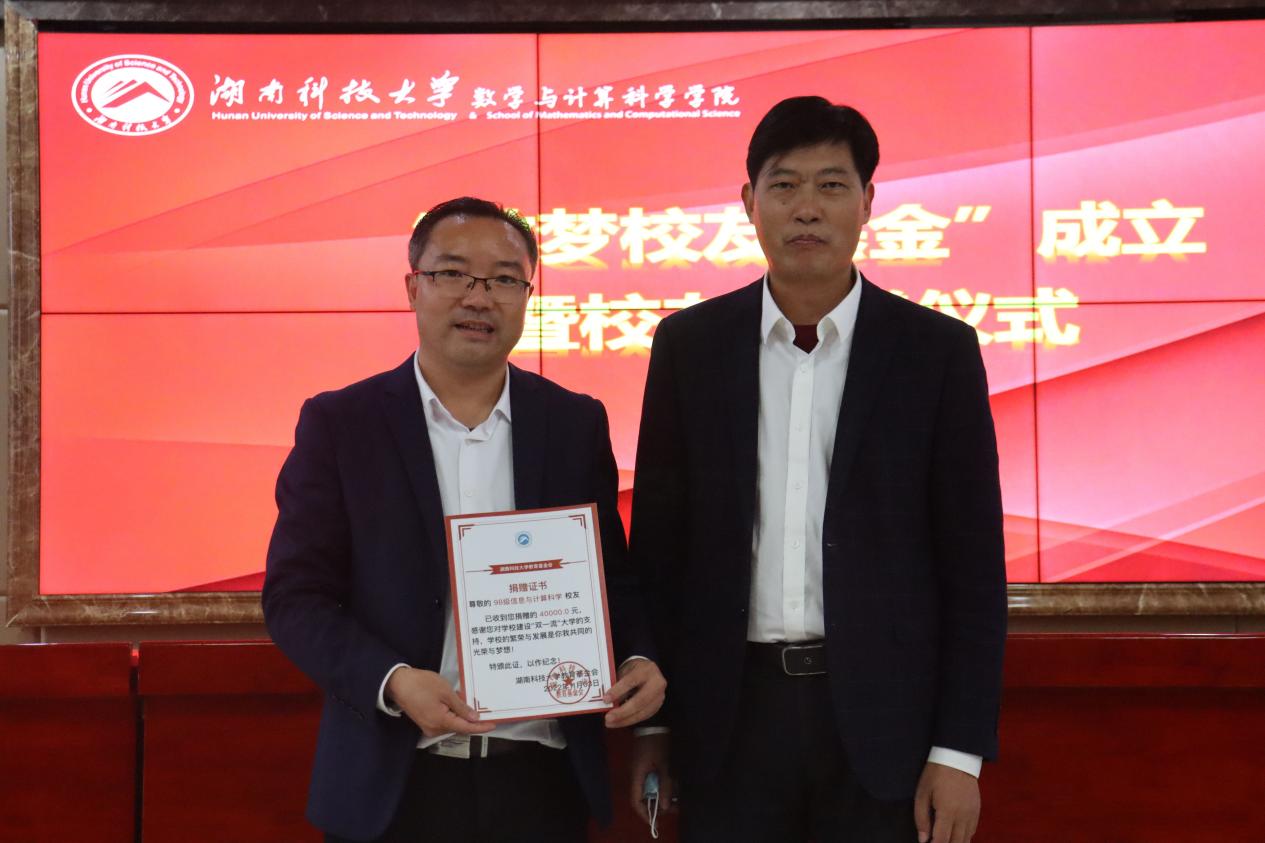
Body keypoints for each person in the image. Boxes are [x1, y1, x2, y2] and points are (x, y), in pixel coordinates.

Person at [627, 96, 1007, 843]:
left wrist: (958, 751)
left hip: (884, 726)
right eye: (785, 185)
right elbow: (660, 550)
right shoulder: (689, 347)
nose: (807, 208)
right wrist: (656, 725)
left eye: (832, 185)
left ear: (867, 201)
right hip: (727, 720)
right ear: (749, 201)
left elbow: (972, 567)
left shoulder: (935, 352)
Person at [263, 196, 666, 843]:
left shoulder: (572, 423)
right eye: (452, 273)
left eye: (504, 279)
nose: (479, 297)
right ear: (413, 287)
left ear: (527, 296)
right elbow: (294, 597)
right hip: (395, 779)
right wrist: (393, 682)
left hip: (541, 780)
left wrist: (638, 655)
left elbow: (609, 578)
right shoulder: (342, 424)